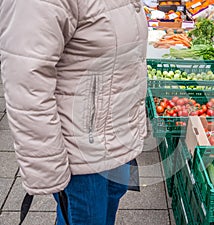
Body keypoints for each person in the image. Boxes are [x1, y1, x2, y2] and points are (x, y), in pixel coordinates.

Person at [0, 0, 148, 224]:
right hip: (81, 153)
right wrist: (49, 169)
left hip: (116, 137)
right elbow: (27, 85)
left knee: (107, 212)